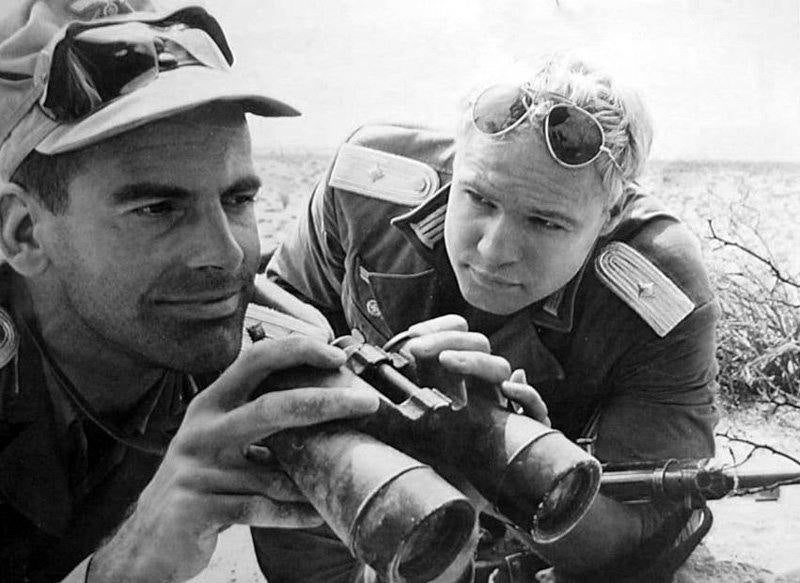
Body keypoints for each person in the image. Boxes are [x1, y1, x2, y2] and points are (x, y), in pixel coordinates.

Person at [0, 2, 536, 582]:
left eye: (237, 200)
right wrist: (128, 565)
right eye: (158, 208)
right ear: (24, 232)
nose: (228, 255)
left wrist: (425, 502)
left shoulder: (267, 347)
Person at [259, 56, 721, 582]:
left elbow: (648, 538)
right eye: (479, 197)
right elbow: (270, 325)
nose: (493, 248)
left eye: (545, 222)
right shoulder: (366, 191)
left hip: (537, 523)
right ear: (457, 165)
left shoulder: (657, 293)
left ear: (610, 217)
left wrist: (498, 459)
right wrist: (355, 383)